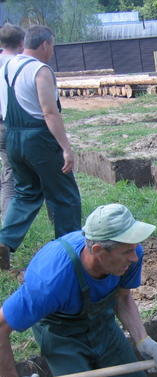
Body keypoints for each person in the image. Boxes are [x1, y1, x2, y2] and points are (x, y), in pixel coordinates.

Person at [0, 203, 157, 377]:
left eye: (134, 249)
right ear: (99, 249)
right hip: (62, 337)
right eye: (127, 251)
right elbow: (1, 326)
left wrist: (143, 339)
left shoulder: (131, 254)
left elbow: (122, 298)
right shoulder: (50, 281)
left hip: (102, 327)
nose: (135, 257)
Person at [0, 25, 81, 270]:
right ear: (45, 44)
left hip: (12, 137)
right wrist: (66, 148)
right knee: (65, 197)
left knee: (26, 193)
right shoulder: (40, 70)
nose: (52, 51)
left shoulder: (6, 66)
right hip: (39, 140)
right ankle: (70, 253)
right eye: (53, 46)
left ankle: (4, 240)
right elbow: (49, 112)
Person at [0, 24, 24, 223]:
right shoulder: (18, 64)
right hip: (8, 125)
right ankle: (7, 224)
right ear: (21, 43)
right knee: (11, 175)